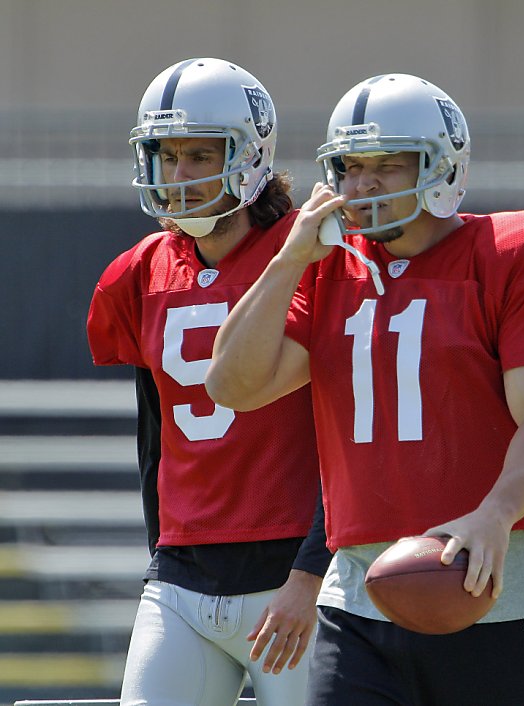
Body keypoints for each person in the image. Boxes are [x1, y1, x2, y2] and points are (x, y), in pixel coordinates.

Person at [205, 73, 524, 706]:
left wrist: (495, 513)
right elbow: (234, 386)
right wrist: (286, 261)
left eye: (388, 166)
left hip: (498, 587)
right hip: (359, 595)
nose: (362, 184)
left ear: (444, 167)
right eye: (350, 166)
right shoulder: (328, 268)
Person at [86, 57, 332, 705]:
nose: (182, 175)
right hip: (182, 571)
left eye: (201, 154)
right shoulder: (136, 272)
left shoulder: (315, 253)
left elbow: (353, 435)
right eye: (168, 155)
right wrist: (160, 554)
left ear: (251, 156)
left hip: (292, 567)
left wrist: (314, 571)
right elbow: (155, 433)